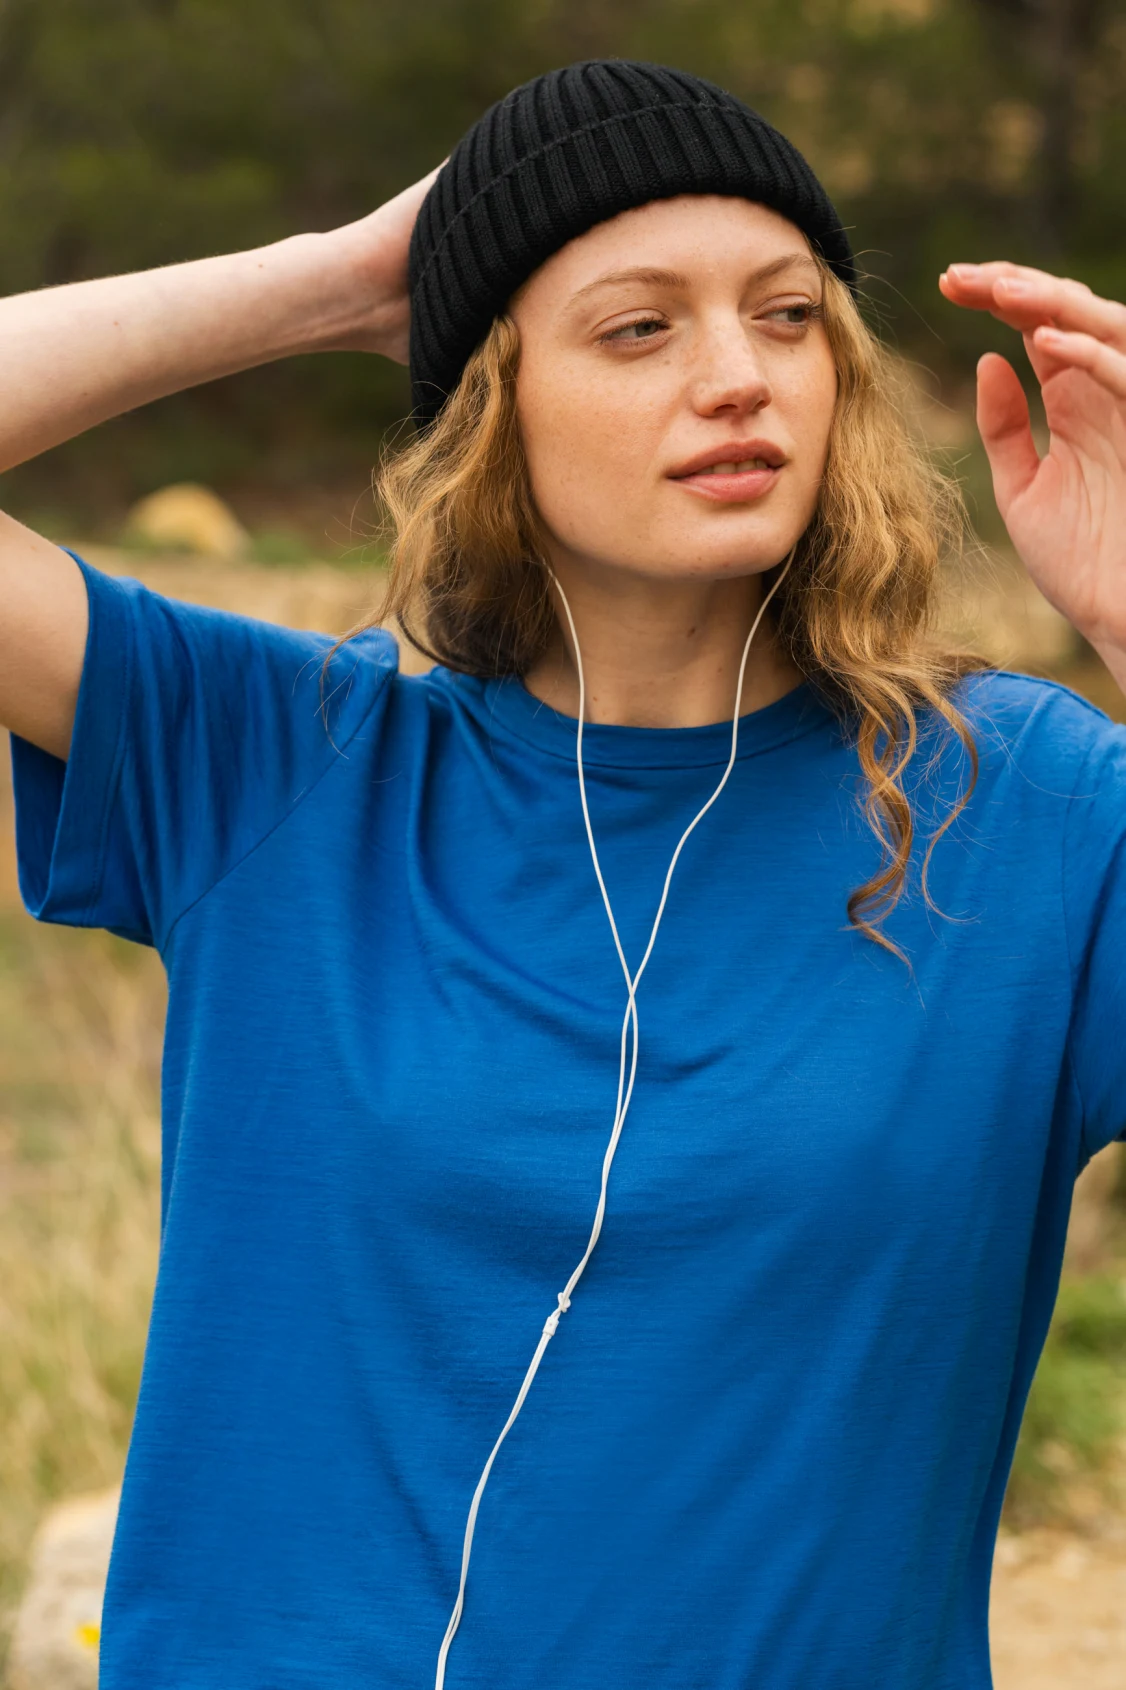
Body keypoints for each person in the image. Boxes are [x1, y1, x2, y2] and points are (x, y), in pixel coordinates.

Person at [2, 56, 1125, 1690]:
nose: (737, 374)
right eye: (637, 325)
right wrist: (334, 281)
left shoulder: (1022, 808)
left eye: (788, 313)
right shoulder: (275, 762)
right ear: (485, 403)